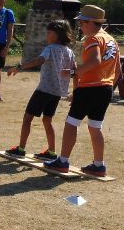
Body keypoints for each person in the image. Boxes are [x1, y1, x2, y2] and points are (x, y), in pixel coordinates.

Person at [44, 5, 120, 177]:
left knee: (71, 123)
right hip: (106, 88)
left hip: (90, 88)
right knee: (95, 126)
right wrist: (108, 88)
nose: (80, 25)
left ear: (93, 23)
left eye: (83, 22)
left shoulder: (92, 39)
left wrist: (72, 72)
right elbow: (117, 70)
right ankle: (99, 165)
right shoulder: (112, 41)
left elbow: (95, 61)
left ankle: (62, 161)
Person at [4, 20, 76, 159]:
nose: (47, 35)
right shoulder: (69, 52)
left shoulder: (50, 48)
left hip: (44, 90)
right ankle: (51, 152)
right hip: (57, 92)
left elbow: (39, 60)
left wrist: (19, 67)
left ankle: (21, 149)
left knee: (27, 118)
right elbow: (74, 71)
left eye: (50, 33)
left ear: (59, 34)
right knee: (47, 120)